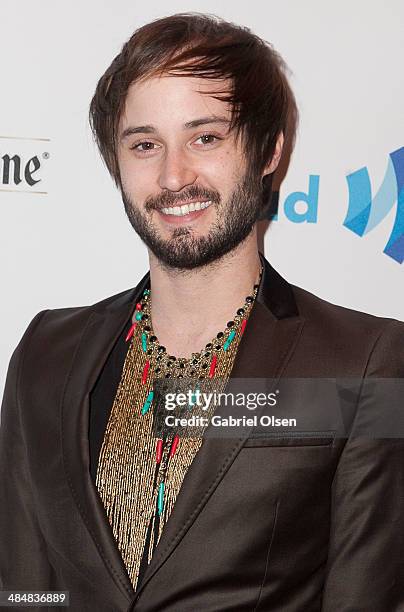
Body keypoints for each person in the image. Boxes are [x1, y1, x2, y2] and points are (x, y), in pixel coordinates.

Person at [1, 12, 404, 612]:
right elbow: (26, 592)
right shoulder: (46, 350)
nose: (173, 175)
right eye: (145, 144)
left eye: (205, 137)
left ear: (268, 151)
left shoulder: (363, 363)